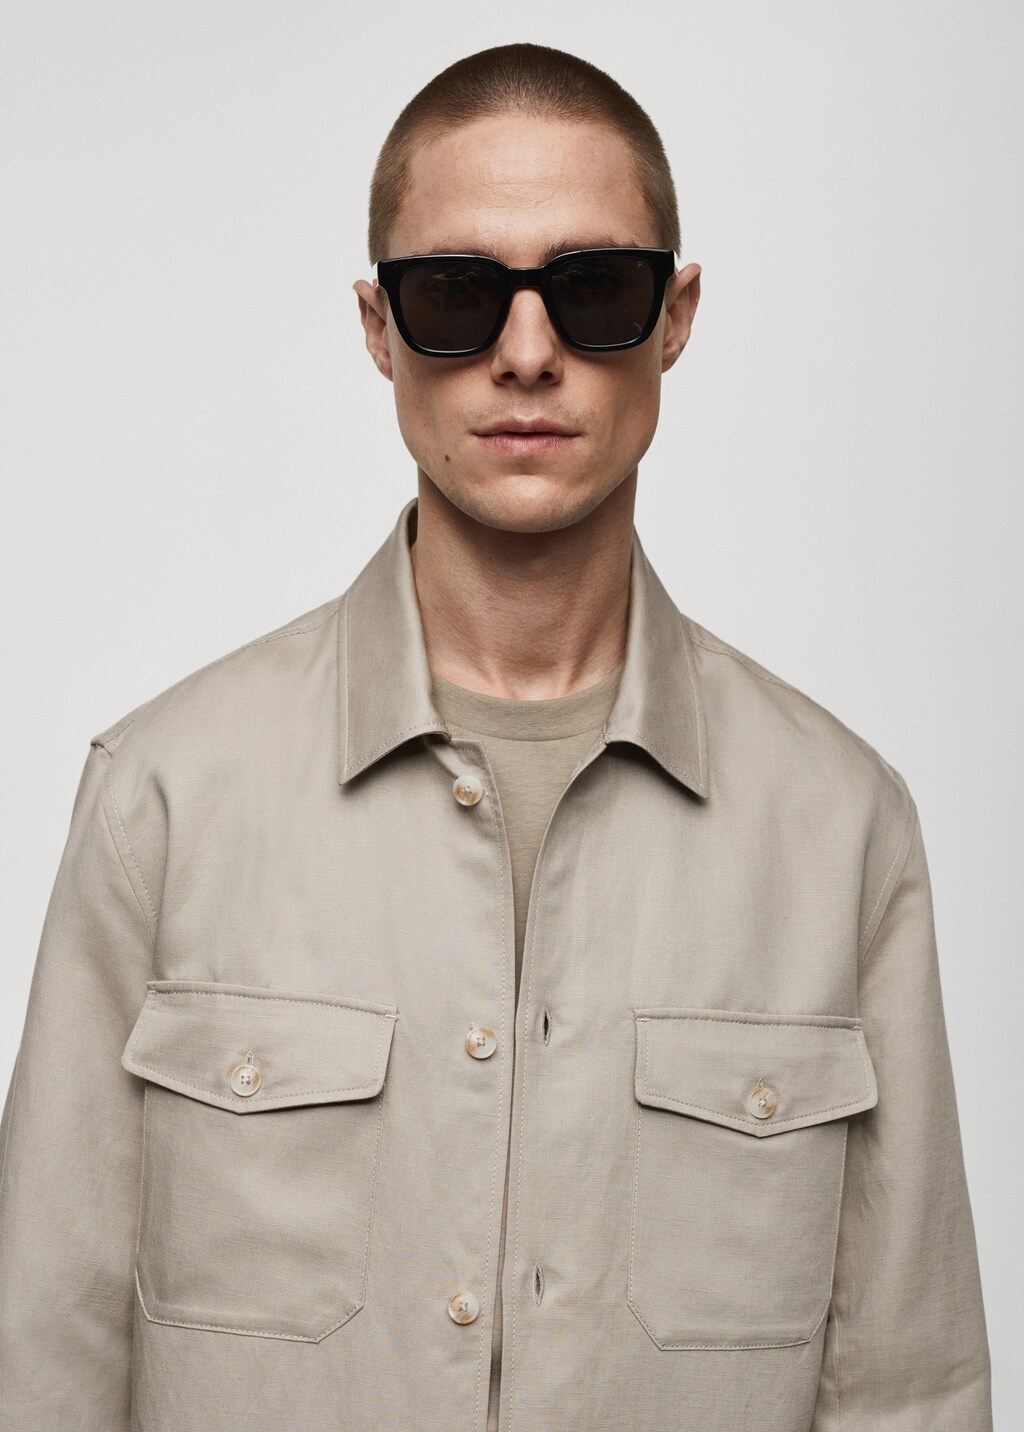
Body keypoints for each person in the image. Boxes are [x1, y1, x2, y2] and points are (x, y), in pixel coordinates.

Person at [0, 41, 992, 1432]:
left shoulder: (841, 829)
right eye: (459, 296)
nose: (528, 355)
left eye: (595, 291)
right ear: (379, 328)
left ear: (676, 316)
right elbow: (36, 1363)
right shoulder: (161, 798)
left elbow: (908, 1391)